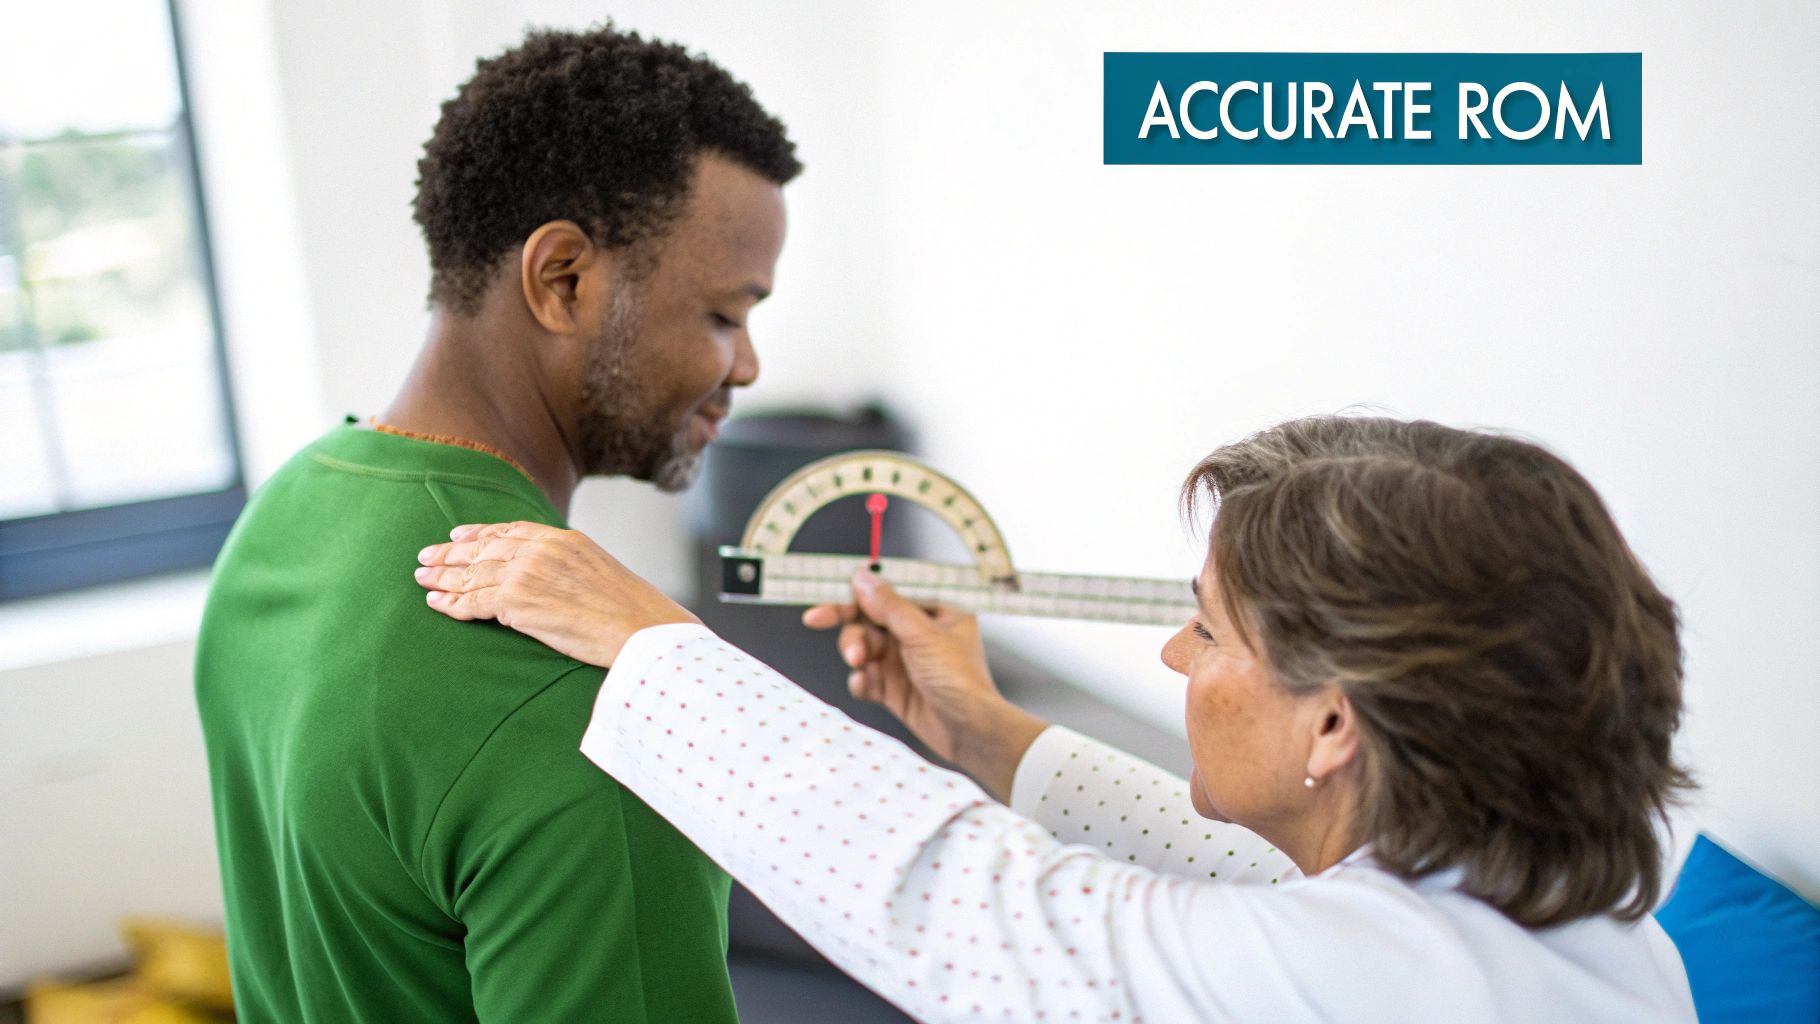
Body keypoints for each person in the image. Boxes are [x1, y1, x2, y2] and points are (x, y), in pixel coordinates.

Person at [413, 415, 1699, 1021]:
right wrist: (982, 728)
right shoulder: (1584, 931)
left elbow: (960, 899)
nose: (1172, 653)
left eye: (1208, 631)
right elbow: (1243, 875)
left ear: (1331, 728)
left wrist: (651, 645)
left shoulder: (1363, 985)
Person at [194, 23, 797, 1022]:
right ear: (562, 279)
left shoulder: (288, 511)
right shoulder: (606, 719)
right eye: (725, 316)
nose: (747, 366)